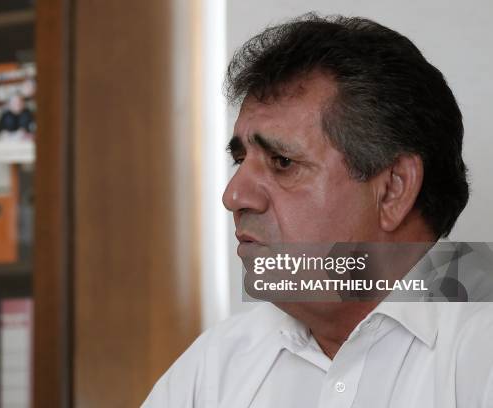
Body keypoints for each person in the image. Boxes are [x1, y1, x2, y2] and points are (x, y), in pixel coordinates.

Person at [143, 13, 493, 408]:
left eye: (282, 162)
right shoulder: (214, 367)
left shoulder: (482, 351)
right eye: (240, 161)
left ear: (394, 189)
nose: (234, 195)